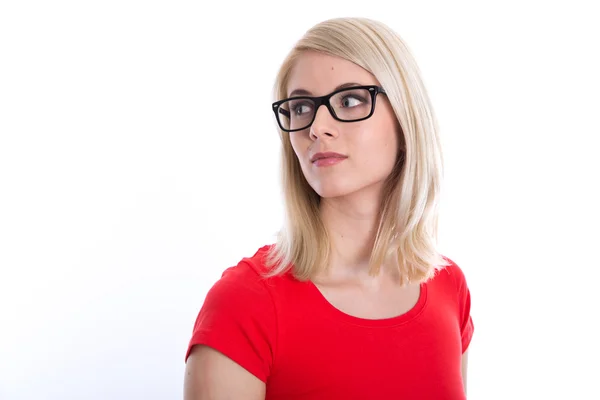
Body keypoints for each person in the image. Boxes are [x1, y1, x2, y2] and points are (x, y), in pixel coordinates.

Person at [183, 17, 474, 400]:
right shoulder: (245, 305)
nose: (317, 127)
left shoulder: (448, 288)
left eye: (350, 100)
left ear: (406, 118)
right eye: (301, 107)